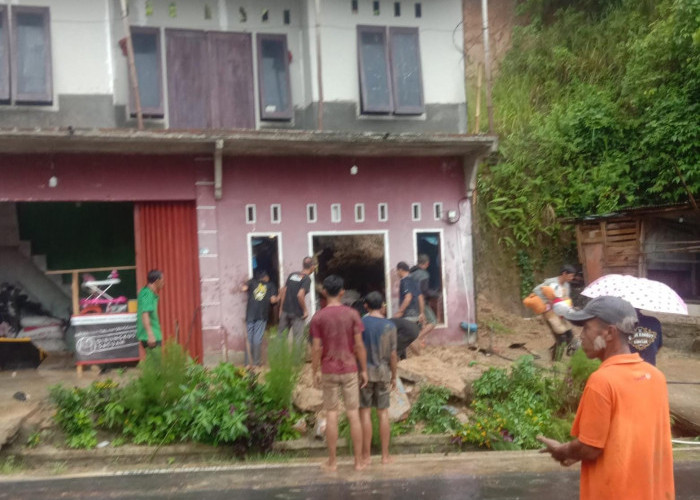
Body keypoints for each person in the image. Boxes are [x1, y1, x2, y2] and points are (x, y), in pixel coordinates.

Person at [538, 296, 674, 500]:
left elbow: (590, 448)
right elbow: (627, 439)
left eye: (586, 328)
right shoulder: (656, 378)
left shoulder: (602, 381)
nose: (581, 336)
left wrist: (563, 450)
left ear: (610, 333)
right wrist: (577, 454)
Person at [310, 275, 368, 472]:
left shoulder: (318, 317)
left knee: (331, 414)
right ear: (342, 291)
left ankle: (332, 461)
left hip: (329, 370)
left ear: (324, 292)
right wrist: (364, 370)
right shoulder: (352, 314)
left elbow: (316, 348)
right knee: (353, 414)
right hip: (350, 368)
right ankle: (359, 462)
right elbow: (359, 345)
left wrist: (314, 370)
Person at [359, 291, 398, 466]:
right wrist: (394, 376)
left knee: (365, 413)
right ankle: (384, 456)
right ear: (382, 306)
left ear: (365, 306)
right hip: (383, 372)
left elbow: (356, 349)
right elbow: (393, 354)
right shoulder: (389, 326)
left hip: (364, 374)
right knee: (383, 414)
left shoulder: (360, 323)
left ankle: (366, 456)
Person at [524, 265, 577, 360]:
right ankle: (555, 360)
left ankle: (556, 350)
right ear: (564, 273)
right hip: (550, 313)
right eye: (570, 276)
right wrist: (548, 300)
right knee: (561, 338)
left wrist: (569, 305)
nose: (572, 278)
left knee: (570, 335)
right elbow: (536, 290)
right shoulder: (551, 282)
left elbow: (567, 298)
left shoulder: (566, 286)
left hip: (561, 313)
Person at [240, 270, 278, 367]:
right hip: (261, 315)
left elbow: (243, 288)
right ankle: (256, 363)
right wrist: (279, 297)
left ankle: (247, 362)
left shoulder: (252, 282)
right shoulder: (270, 285)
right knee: (257, 338)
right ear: (266, 278)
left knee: (249, 338)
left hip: (250, 314)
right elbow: (273, 300)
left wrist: (244, 283)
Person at [278, 257, 314, 345]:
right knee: (298, 340)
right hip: (297, 314)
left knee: (280, 339)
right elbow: (300, 295)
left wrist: (281, 309)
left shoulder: (292, 275)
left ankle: (279, 358)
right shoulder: (307, 279)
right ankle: (296, 359)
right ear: (312, 267)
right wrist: (305, 310)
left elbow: (283, 291)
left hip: (285, 311)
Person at [410, 254, 439, 347]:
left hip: (411, 301)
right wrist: (436, 294)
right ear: (427, 264)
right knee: (433, 321)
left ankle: (420, 342)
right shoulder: (424, 274)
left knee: (422, 323)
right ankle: (417, 339)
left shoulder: (411, 272)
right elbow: (424, 291)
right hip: (420, 302)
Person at [136, 269, 164, 350]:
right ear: (156, 281)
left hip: (153, 334)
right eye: (162, 280)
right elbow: (145, 314)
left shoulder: (148, 293)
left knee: (154, 361)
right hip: (151, 337)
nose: (163, 283)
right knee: (156, 362)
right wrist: (150, 335)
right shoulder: (147, 294)